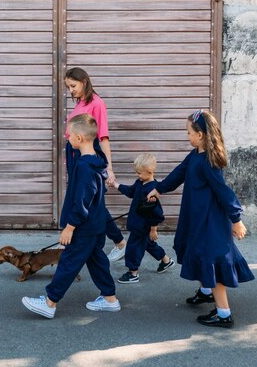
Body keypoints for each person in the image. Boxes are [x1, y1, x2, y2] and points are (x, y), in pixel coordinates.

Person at [147, 110, 254, 328]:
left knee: (212, 262)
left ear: (201, 135)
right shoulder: (195, 155)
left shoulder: (208, 163)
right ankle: (206, 292)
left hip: (210, 220)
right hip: (196, 216)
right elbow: (178, 173)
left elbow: (224, 191)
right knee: (193, 250)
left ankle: (224, 315)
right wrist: (159, 189)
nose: (187, 136)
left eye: (189, 132)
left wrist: (236, 219)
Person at [22, 114, 120, 319]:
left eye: (70, 135)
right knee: (97, 260)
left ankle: (50, 302)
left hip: (83, 226)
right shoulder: (97, 160)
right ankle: (110, 298)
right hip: (95, 225)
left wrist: (70, 227)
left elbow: (82, 200)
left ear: (79, 139)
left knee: (68, 261)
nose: (67, 138)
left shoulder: (84, 167)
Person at [63, 67, 127, 261]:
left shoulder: (97, 103)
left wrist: (109, 167)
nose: (71, 90)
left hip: (86, 155)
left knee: (91, 201)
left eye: (73, 86)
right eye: (68, 87)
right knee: (83, 198)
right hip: (75, 153)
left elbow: (104, 137)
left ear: (84, 81)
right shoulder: (81, 101)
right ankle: (77, 236)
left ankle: (119, 242)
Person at [110, 153, 174, 284]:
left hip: (142, 226)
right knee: (148, 244)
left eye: (139, 173)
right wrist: (116, 185)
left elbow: (156, 213)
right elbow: (130, 192)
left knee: (133, 248)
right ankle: (166, 260)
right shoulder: (140, 183)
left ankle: (133, 273)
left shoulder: (152, 191)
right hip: (137, 224)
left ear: (149, 172)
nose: (137, 175)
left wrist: (153, 229)